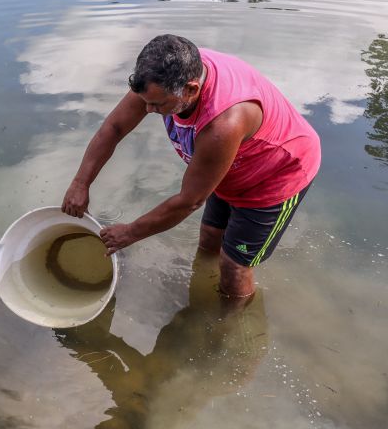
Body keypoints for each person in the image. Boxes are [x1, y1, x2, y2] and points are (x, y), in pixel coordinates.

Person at [61, 34, 321, 300]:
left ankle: (231, 319)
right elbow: (114, 127)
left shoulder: (223, 123)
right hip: (227, 167)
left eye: (157, 104)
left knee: (234, 266)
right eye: (144, 100)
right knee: (209, 237)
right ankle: (202, 291)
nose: (147, 109)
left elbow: (189, 201)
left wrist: (131, 232)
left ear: (191, 89)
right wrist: (81, 183)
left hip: (275, 176)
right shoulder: (162, 73)